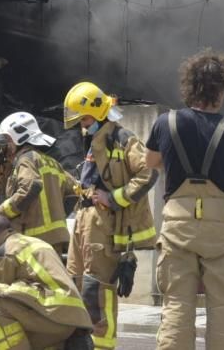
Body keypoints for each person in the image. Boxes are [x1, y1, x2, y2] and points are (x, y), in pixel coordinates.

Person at [145, 49, 224, 350]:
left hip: (177, 226)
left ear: (189, 86)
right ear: (221, 90)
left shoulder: (164, 124)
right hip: (220, 230)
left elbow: (151, 161)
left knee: (176, 308)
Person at [63, 81, 158, 350]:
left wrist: (114, 198)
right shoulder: (94, 141)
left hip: (103, 224)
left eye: (84, 118)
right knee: (75, 286)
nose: (82, 124)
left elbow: (149, 172)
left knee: (97, 292)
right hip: (84, 219)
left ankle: (102, 346)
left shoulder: (123, 138)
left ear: (98, 111)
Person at [0, 214, 92, 350]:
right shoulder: (36, 243)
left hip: (52, 318)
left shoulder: (6, 251)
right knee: (16, 307)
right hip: (72, 322)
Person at [0, 111, 78, 253]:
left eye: (7, 141)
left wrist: (2, 211)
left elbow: (32, 186)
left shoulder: (26, 159)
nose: (6, 147)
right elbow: (76, 189)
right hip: (56, 239)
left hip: (34, 240)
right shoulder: (53, 163)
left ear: (18, 138)